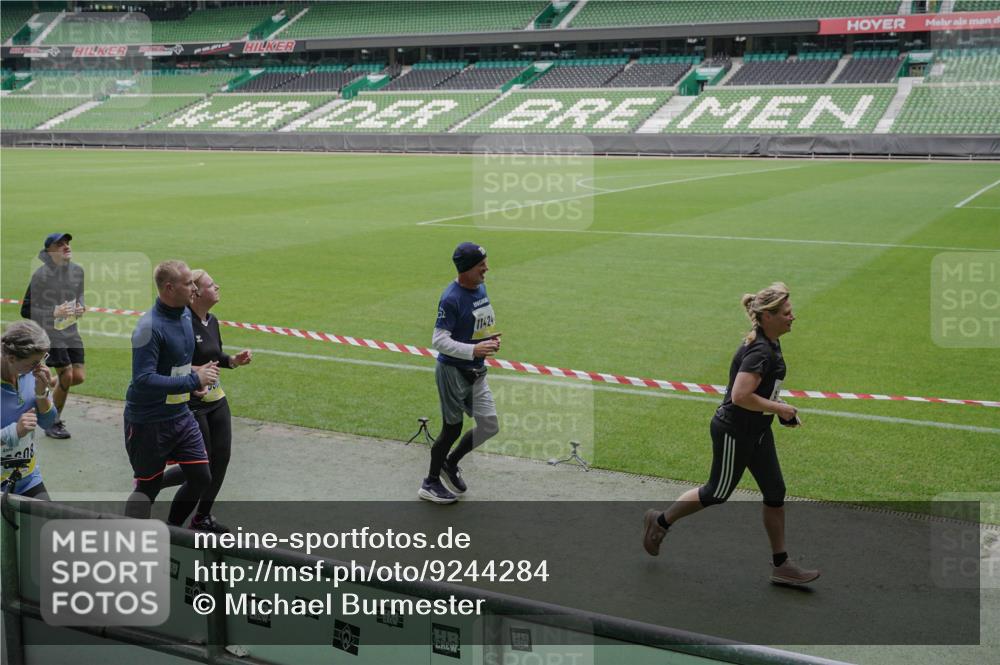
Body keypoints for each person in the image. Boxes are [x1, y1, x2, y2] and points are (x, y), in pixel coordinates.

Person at [642, 282, 820, 586]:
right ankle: (659, 521)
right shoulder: (760, 351)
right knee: (717, 492)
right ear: (767, 316)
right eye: (786, 313)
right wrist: (780, 409)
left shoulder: (770, 342)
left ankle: (781, 565)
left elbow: (761, 391)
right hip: (734, 432)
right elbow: (740, 396)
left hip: (757, 430)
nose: (793, 317)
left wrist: (779, 411)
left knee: (775, 492)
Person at [123, 260, 219, 526]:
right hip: (148, 421)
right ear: (169, 288)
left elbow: (177, 363)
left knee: (201, 476)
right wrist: (192, 380)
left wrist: (193, 382)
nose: (195, 289)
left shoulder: (185, 314)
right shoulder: (149, 328)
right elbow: (143, 379)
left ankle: (172, 531)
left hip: (179, 414)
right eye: (188, 284)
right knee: (147, 488)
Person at [160, 270, 251, 533]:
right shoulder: (182, 323)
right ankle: (173, 527)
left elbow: (215, 355)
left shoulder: (212, 321)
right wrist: (194, 375)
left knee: (221, 459)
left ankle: (201, 517)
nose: (217, 287)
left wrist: (232, 361)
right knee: (201, 469)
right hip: (193, 403)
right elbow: (169, 364)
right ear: (196, 293)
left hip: (216, 400)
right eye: (212, 285)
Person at [419, 242, 501, 504]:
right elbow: (439, 340)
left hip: (476, 371)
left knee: (489, 425)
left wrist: (488, 340)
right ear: (466, 269)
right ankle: (430, 483)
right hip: (452, 373)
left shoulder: (480, 288)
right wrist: (474, 349)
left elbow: (478, 324)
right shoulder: (451, 298)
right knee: (452, 429)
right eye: (481, 265)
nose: (487, 268)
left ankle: (450, 463)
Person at [21, 232, 85, 440]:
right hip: (50, 333)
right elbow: (26, 310)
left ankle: (39, 390)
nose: (66, 246)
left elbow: (79, 295)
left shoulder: (77, 271)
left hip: (71, 330)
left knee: (78, 376)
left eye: (67, 243)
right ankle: (52, 422)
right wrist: (53, 312)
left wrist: (80, 306)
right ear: (49, 252)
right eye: (59, 244)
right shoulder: (41, 276)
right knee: (66, 375)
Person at [1, 321, 58, 500]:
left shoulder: (30, 375)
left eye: (42, 359)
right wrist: (14, 432)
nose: (39, 367)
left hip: (27, 478)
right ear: (12, 359)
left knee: (50, 516)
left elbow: (48, 423)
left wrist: (41, 393)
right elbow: (16, 431)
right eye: (34, 363)